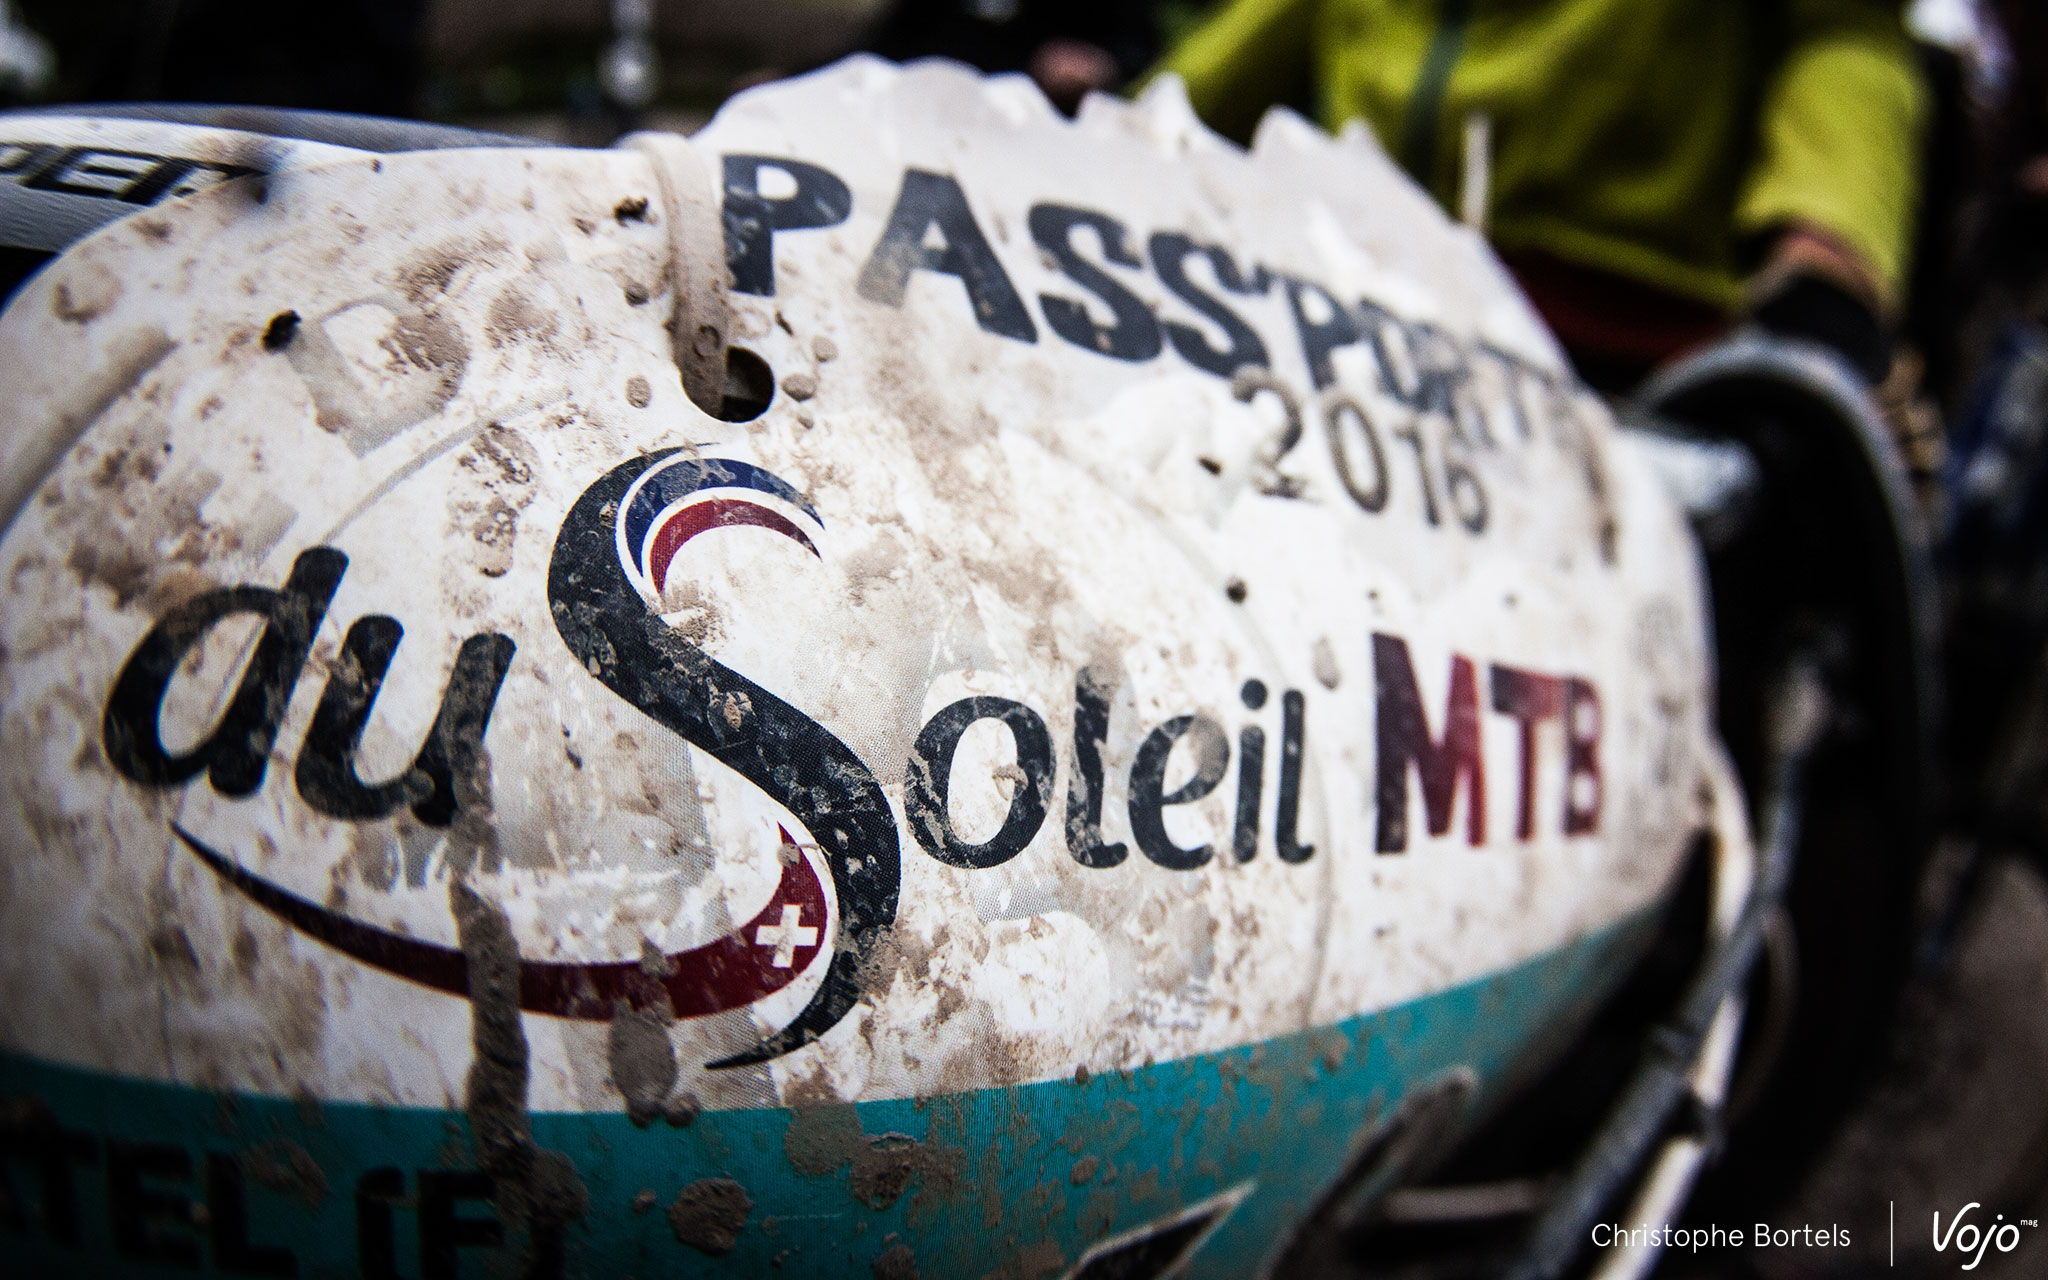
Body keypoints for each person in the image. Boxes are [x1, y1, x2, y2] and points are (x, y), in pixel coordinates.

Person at [1155, 0, 1928, 391]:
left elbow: (1847, 36)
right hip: (1341, 301)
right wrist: (1114, 132)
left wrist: (1830, 250)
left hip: (1619, 349)